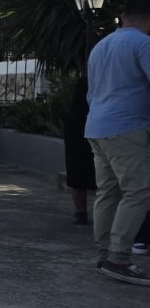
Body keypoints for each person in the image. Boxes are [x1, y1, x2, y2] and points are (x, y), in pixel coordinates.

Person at [84, 0, 150, 284]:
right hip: (128, 127)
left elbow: (91, 93)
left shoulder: (101, 46)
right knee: (138, 192)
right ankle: (119, 258)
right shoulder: (143, 44)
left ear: (124, 16)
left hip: (97, 127)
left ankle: (105, 253)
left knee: (108, 192)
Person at [63, 73, 95, 226]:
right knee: (77, 172)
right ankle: (81, 212)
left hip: (83, 126)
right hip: (81, 128)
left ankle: (81, 213)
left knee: (77, 173)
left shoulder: (88, 79)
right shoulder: (90, 81)